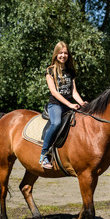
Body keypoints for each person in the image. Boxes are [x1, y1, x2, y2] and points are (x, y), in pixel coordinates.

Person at [40, 41, 87, 169]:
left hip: (69, 104)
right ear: (56, 54)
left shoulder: (70, 71)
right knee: (56, 123)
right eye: (60, 53)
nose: (63, 55)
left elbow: (73, 91)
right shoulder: (50, 71)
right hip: (56, 105)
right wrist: (70, 104)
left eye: (65, 53)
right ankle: (44, 155)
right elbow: (54, 92)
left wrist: (81, 103)